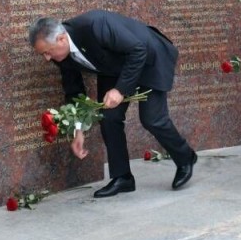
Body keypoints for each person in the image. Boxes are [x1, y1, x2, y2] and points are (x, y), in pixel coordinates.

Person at [29, 11, 197, 198]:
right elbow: (73, 91)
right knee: (108, 117)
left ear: (61, 39)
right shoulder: (59, 56)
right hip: (114, 67)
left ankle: (185, 157)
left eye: (46, 51)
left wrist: (120, 90)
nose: (46, 58)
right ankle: (123, 177)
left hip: (150, 57)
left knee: (152, 118)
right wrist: (78, 130)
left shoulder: (95, 26)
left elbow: (138, 49)